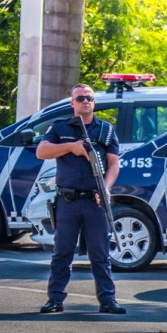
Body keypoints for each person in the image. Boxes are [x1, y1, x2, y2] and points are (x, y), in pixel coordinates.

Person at [37, 84, 125, 315]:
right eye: (80, 98)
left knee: (100, 254)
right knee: (62, 253)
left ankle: (108, 301)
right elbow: (42, 151)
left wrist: (105, 188)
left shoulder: (105, 130)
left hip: (95, 200)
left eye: (89, 98)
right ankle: (55, 300)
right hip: (68, 201)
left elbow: (114, 164)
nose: (85, 101)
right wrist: (71, 147)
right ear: (72, 103)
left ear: (94, 103)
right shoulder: (59, 127)